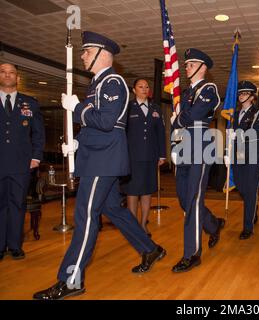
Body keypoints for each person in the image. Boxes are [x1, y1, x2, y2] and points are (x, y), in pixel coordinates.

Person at [33, 31, 166, 300]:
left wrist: (77, 108)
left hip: (103, 162)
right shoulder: (97, 83)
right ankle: (149, 248)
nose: (82, 55)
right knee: (113, 210)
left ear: (102, 54)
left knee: (85, 217)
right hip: (97, 156)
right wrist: (79, 143)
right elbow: (99, 128)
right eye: (82, 51)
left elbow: (107, 122)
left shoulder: (113, 82)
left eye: (87, 51)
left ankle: (71, 280)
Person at [170, 48, 225, 272]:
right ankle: (213, 224)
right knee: (184, 199)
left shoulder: (208, 88)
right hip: (184, 146)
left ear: (203, 68)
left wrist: (178, 119)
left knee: (192, 200)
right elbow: (183, 119)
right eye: (186, 64)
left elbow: (191, 116)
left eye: (191, 64)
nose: (187, 67)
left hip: (200, 147)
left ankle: (191, 254)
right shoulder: (185, 93)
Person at [0, 63, 45, 261]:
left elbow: (38, 133)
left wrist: (36, 157)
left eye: (11, 73)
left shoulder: (30, 103)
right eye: (3, 72)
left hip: (21, 164)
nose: (7, 75)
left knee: (18, 204)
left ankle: (15, 245)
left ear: (17, 78)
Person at [123, 78, 166, 235]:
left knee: (147, 191)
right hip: (132, 157)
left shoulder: (156, 108)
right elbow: (122, 133)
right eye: (140, 86)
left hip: (150, 156)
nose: (144, 89)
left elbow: (160, 133)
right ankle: (133, 225)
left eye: (146, 86)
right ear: (134, 90)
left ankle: (143, 224)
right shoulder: (128, 108)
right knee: (133, 191)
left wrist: (162, 154)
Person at [229, 80, 259, 239]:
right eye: (240, 93)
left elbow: (255, 133)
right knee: (241, 187)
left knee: (250, 191)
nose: (241, 96)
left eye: (245, 93)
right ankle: (254, 207)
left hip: (252, 156)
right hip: (238, 156)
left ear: (252, 97)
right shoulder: (236, 114)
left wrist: (238, 135)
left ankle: (247, 227)